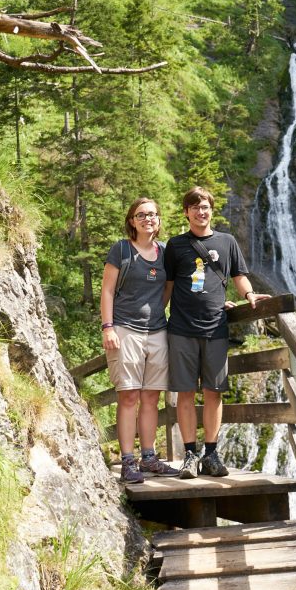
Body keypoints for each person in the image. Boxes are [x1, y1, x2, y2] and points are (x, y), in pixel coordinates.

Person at [163, 187, 270, 479]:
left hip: (215, 328)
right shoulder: (175, 245)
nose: (201, 212)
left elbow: (239, 276)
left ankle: (210, 453)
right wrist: (155, 317)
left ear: (212, 210)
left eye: (206, 207)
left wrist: (249, 295)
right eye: (195, 207)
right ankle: (189, 454)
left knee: (213, 392)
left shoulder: (227, 242)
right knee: (185, 393)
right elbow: (169, 285)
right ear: (186, 212)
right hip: (182, 328)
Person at [101, 197, 180, 484]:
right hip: (125, 329)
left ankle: (149, 458)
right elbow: (108, 290)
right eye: (142, 214)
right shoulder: (121, 250)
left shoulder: (164, 253)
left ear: (159, 221)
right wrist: (108, 327)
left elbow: (169, 289)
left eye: (153, 214)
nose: (148, 218)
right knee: (129, 395)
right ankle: (127, 461)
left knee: (151, 397)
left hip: (157, 331)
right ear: (132, 220)